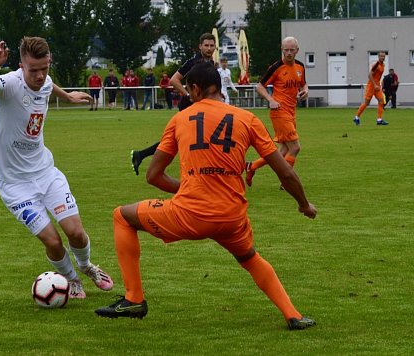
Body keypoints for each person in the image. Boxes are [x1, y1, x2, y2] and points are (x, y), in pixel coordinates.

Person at [95, 62, 317, 331]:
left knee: (122, 216)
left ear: (196, 89)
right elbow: (286, 173)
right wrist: (304, 205)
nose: (187, 95)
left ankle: (133, 299)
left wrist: (191, 188)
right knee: (250, 258)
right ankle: (293, 315)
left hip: (189, 215)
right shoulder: (247, 119)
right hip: (232, 217)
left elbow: (153, 176)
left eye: (188, 91)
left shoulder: (179, 119)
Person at [0, 37, 114, 299]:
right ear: (20, 65)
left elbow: (48, 86)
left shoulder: (45, 80)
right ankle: (71, 279)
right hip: (14, 185)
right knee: (53, 240)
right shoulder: (10, 84)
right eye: (32, 70)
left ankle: (86, 266)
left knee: (76, 234)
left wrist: (67, 96)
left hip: (46, 173)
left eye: (44, 68)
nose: (39, 75)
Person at [131, 32, 217, 175]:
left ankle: (140, 155)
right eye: (206, 45)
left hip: (202, 106)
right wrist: (188, 94)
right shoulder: (193, 63)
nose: (209, 48)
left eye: (212, 45)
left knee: (181, 139)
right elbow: (174, 80)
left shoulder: (210, 63)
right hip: (190, 106)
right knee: (187, 139)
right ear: (200, 46)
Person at [245, 36, 309, 188]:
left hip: (291, 112)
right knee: (295, 147)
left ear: (297, 51)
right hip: (279, 112)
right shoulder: (276, 67)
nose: (288, 53)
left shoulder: (300, 67)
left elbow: (304, 85)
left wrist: (305, 91)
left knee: (284, 150)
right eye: (285, 50)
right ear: (282, 50)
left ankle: (251, 166)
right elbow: (259, 86)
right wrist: (270, 100)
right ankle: (286, 180)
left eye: (291, 50)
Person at [353, 51, 388, 126]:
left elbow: (378, 76)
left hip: (377, 86)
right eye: (381, 56)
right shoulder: (376, 65)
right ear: (378, 57)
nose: (382, 57)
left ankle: (379, 120)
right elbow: (369, 75)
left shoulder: (383, 65)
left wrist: (378, 84)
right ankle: (356, 117)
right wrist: (375, 85)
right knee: (366, 103)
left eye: (384, 56)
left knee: (381, 101)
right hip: (371, 86)